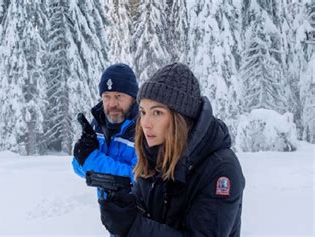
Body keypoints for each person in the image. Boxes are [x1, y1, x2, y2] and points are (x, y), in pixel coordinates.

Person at [98, 63, 245, 236]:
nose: (145, 123)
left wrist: (133, 226)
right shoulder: (153, 156)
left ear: (180, 118)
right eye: (143, 112)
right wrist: (127, 209)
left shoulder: (220, 169)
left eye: (157, 113)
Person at [72, 63, 139, 183]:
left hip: (136, 202)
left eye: (119, 96)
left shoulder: (144, 128)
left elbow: (139, 178)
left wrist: (91, 160)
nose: (112, 104)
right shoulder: (98, 123)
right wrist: (82, 153)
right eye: (106, 96)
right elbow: (79, 167)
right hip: (105, 202)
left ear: (133, 99)